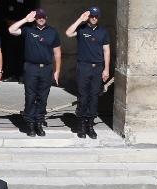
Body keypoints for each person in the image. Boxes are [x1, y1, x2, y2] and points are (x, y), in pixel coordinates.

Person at [9, 9, 61, 137]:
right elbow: (11, 30)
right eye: (38, 17)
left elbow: (57, 53)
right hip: (31, 68)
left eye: (43, 17)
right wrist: (26, 20)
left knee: (43, 97)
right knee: (30, 96)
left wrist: (57, 71)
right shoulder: (28, 30)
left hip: (46, 68)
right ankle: (30, 124)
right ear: (35, 18)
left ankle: (39, 122)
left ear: (46, 17)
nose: (41, 19)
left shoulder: (53, 32)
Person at [66, 7, 110, 139]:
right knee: (83, 96)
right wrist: (80, 19)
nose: (94, 18)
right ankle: (81, 125)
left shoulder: (103, 32)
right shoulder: (81, 29)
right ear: (88, 16)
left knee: (94, 97)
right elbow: (68, 33)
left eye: (96, 16)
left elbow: (106, 51)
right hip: (83, 67)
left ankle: (90, 125)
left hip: (97, 68)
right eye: (92, 16)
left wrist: (106, 68)